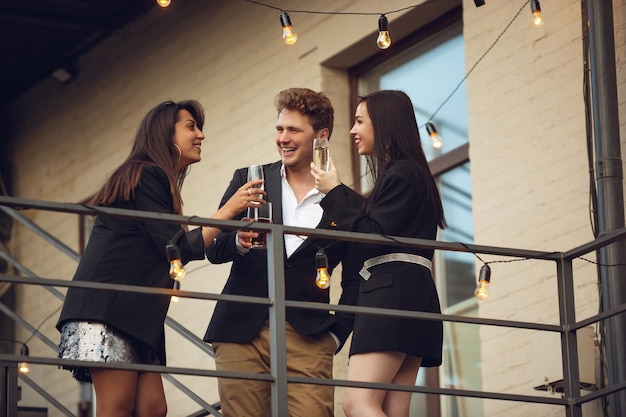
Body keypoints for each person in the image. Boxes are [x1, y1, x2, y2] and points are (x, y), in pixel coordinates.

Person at [56, 100, 265, 417]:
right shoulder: (146, 175)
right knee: (116, 407)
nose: (201, 135)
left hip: (138, 316)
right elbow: (177, 249)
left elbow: (175, 249)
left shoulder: (157, 184)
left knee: (153, 408)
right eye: (191, 126)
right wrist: (228, 211)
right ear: (164, 134)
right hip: (109, 310)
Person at [204, 88, 361, 417]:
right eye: (279, 129)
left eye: (294, 130)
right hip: (240, 328)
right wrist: (237, 241)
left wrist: (336, 334)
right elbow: (214, 248)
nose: (283, 138)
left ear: (322, 135)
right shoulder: (250, 180)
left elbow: (356, 280)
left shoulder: (347, 204)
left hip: (309, 334)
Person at [311, 90, 446, 417]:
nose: (352, 130)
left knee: (358, 403)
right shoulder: (412, 174)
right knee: (392, 408)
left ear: (383, 123)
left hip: (391, 294)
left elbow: (372, 236)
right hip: (415, 294)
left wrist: (336, 192)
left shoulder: (401, 172)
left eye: (359, 121)